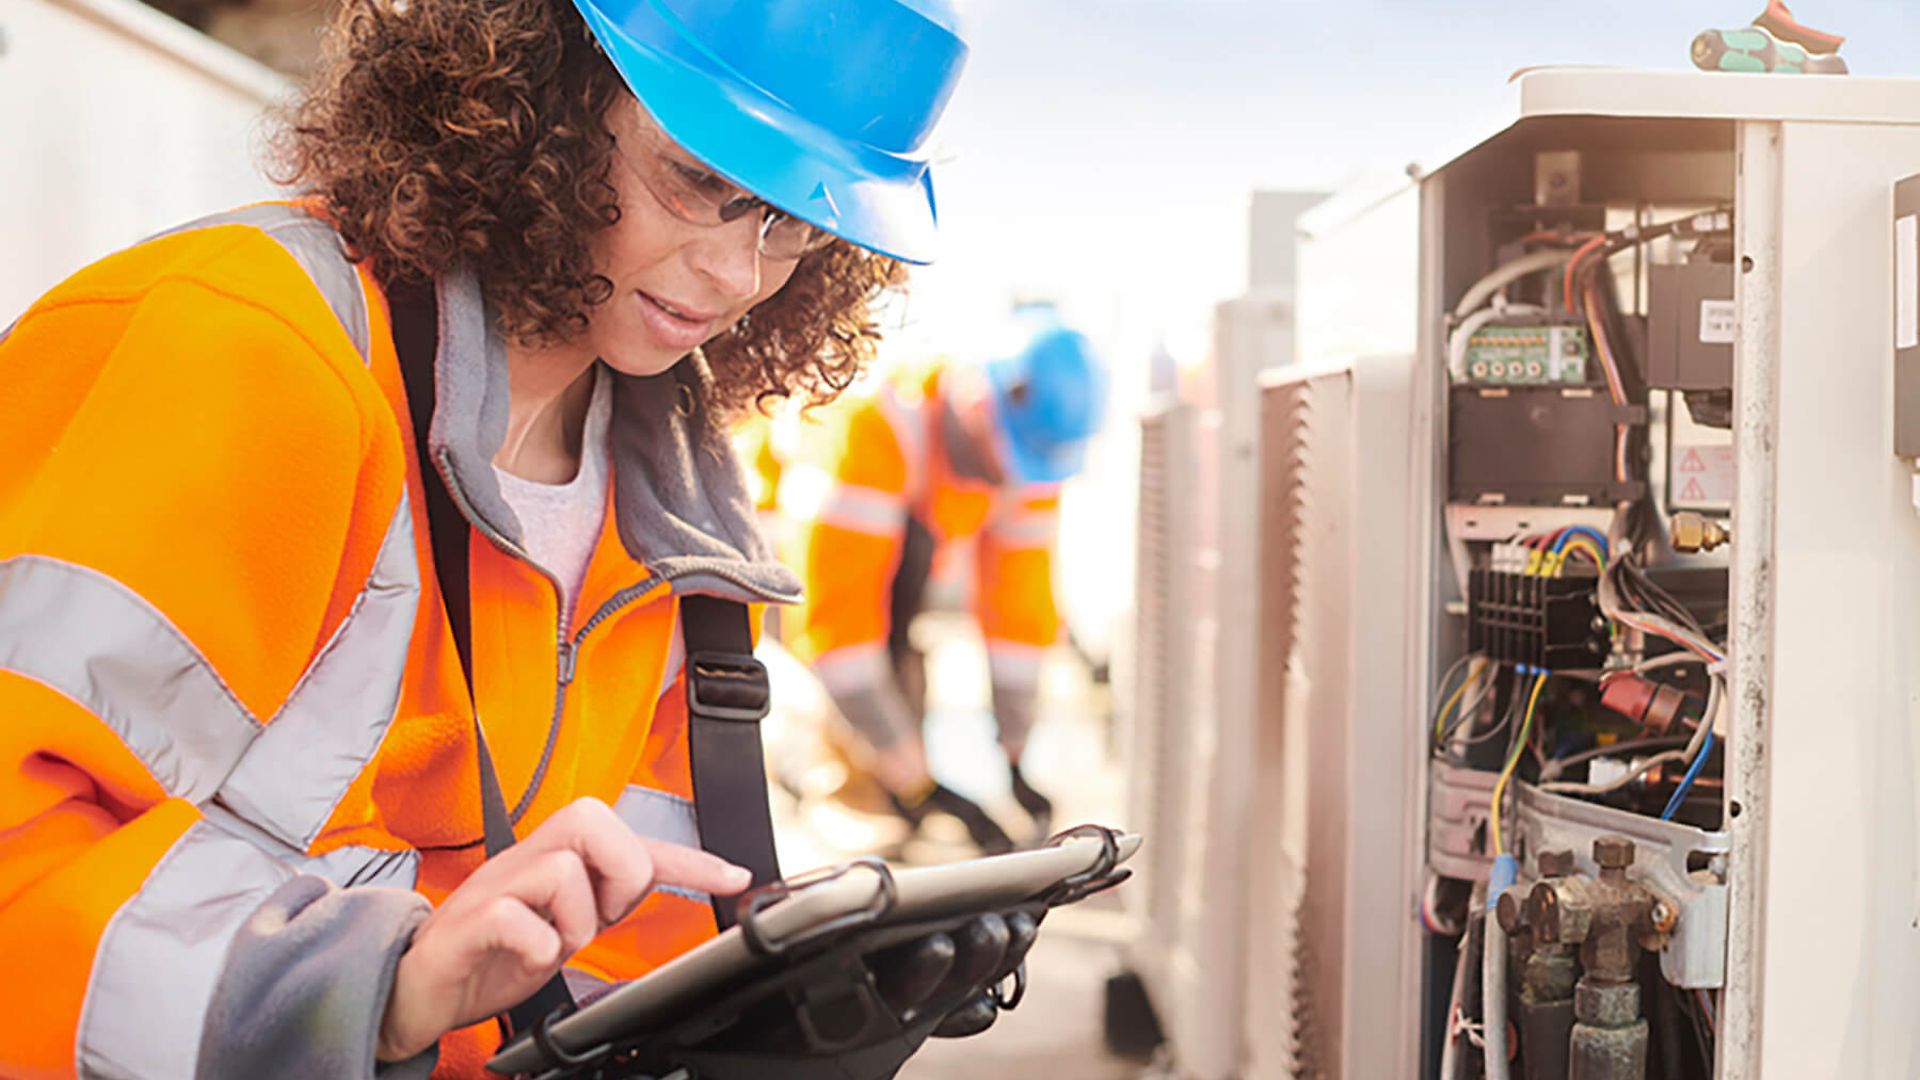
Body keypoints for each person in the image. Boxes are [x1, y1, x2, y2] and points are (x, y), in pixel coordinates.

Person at [0, 0, 1000, 1075]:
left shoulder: (681, 519)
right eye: (701, 180)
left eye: (794, 220)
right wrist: (366, 990)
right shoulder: (242, 350)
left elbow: (613, 949)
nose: (738, 274)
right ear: (546, 99)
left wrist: (759, 1001)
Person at [778, 320, 1106, 853]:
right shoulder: (873, 423)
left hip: (883, 579)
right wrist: (918, 784)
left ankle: (884, 779)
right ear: (979, 403)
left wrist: (1017, 760)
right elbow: (835, 628)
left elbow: (1019, 612)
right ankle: (831, 782)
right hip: (778, 562)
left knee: (904, 611)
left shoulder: (1027, 460)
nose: (1016, 476)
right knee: (857, 670)